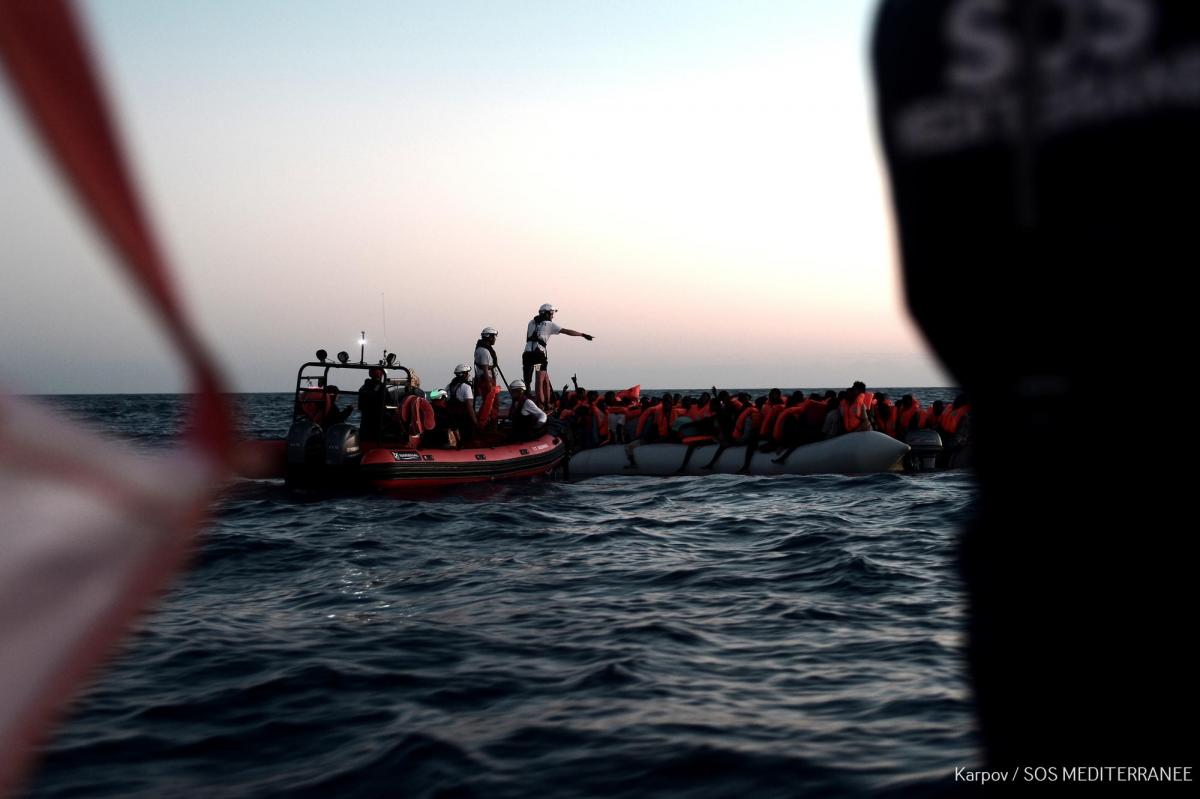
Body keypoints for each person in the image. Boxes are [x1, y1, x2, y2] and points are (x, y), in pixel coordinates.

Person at [522, 303, 594, 406]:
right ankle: (542, 404)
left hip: (527, 354)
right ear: (547, 313)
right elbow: (567, 331)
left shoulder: (531, 323)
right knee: (540, 379)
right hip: (539, 354)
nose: (553, 316)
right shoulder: (550, 324)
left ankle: (528, 402)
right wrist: (582, 334)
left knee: (529, 381)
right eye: (551, 313)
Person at [473, 327, 501, 428]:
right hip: (486, 380)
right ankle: (492, 427)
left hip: (486, 380)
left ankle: (489, 424)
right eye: (493, 337)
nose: (495, 339)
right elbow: (485, 368)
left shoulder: (482, 349)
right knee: (492, 405)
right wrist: (490, 385)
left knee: (489, 404)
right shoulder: (484, 351)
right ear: (488, 337)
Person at [445, 364, 478, 444]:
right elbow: (469, 407)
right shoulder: (466, 387)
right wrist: (475, 422)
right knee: (468, 439)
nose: (469, 375)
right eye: (467, 373)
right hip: (464, 420)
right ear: (465, 374)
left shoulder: (448, 387)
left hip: (452, 419)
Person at [356, 367, 388, 441]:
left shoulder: (365, 386)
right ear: (381, 375)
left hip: (365, 417)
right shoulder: (381, 386)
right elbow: (388, 400)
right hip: (377, 417)